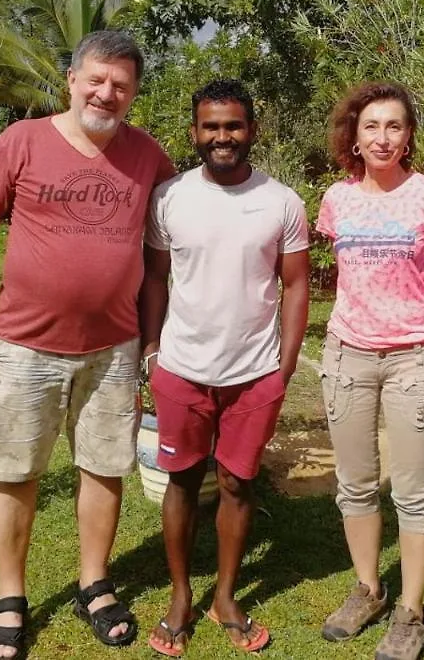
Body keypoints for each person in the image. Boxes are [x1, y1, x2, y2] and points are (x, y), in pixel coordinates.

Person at [0, 30, 175, 660]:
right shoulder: (22, 142)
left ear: (133, 95)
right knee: (15, 470)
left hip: (115, 345)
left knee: (104, 465)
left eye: (121, 85)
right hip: (28, 342)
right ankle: (9, 596)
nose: (106, 94)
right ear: (72, 79)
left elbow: (180, 221)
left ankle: (94, 581)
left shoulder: (148, 155)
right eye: (97, 80)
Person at [140, 78, 310, 656]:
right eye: (210, 127)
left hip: (255, 372)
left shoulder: (283, 202)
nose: (222, 137)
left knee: (239, 482)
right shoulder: (169, 198)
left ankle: (227, 596)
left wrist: (284, 364)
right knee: (183, 480)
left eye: (233, 125)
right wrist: (151, 350)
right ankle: (182, 596)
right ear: (194, 133)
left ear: (251, 131)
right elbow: (155, 278)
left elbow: (295, 283)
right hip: (182, 367)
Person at [315, 81, 424, 660]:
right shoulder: (337, 200)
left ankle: (410, 611)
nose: (382, 137)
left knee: (414, 490)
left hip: (414, 356)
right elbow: (345, 275)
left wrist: (412, 316)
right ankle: (369, 590)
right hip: (347, 353)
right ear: (354, 135)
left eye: (393, 126)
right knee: (353, 483)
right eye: (371, 126)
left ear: (408, 136)